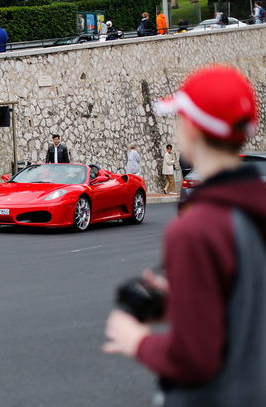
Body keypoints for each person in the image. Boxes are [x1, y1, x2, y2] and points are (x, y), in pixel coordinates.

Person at [103, 64, 266, 406]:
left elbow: (195, 357)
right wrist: (188, 300)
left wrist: (136, 340)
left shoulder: (197, 228)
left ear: (192, 128)